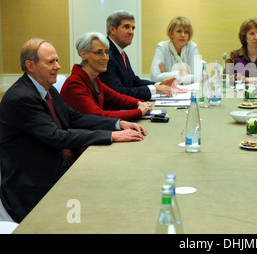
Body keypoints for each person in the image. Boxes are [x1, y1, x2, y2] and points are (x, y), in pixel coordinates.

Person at [0, 38, 147, 223]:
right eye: (50, 62)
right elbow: (56, 137)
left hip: (55, 170)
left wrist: (118, 124)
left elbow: (74, 117)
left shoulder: (47, 89)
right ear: (30, 65)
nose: (58, 66)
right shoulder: (22, 98)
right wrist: (111, 135)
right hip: (32, 188)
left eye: (57, 60)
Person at [61, 32, 153, 121]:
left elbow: (118, 98)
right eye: (99, 52)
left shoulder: (93, 79)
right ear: (83, 55)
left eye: (106, 52)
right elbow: (98, 116)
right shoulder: (74, 84)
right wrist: (139, 111)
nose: (105, 57)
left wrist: (139, 103)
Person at [99, 10, 176, 100]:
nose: (131, 32)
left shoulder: (120, 52)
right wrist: (154, 89)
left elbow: (133, 81)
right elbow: (118, 92)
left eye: (133, 28)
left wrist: (158, 84)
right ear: (112, 29)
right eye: (126, 27)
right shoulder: (106, 54)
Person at [150, 16, 201, 85]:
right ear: (171, 34)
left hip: (189, 93)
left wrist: (166, 75)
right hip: (166, 92)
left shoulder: (192, 47)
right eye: (179, 31)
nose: (183, 35)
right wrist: (180, 73)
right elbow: (154, 78)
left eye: (186, 32)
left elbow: (198, 77)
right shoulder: (162, 47)